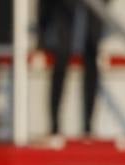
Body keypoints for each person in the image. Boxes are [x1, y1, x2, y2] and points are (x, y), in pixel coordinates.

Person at [39, 0, 110, 137]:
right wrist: (42, 32)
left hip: (92, 7)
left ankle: (88, 128)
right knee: (61, 58)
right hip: (64, 8)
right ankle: (54, 127)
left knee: (90, 57)